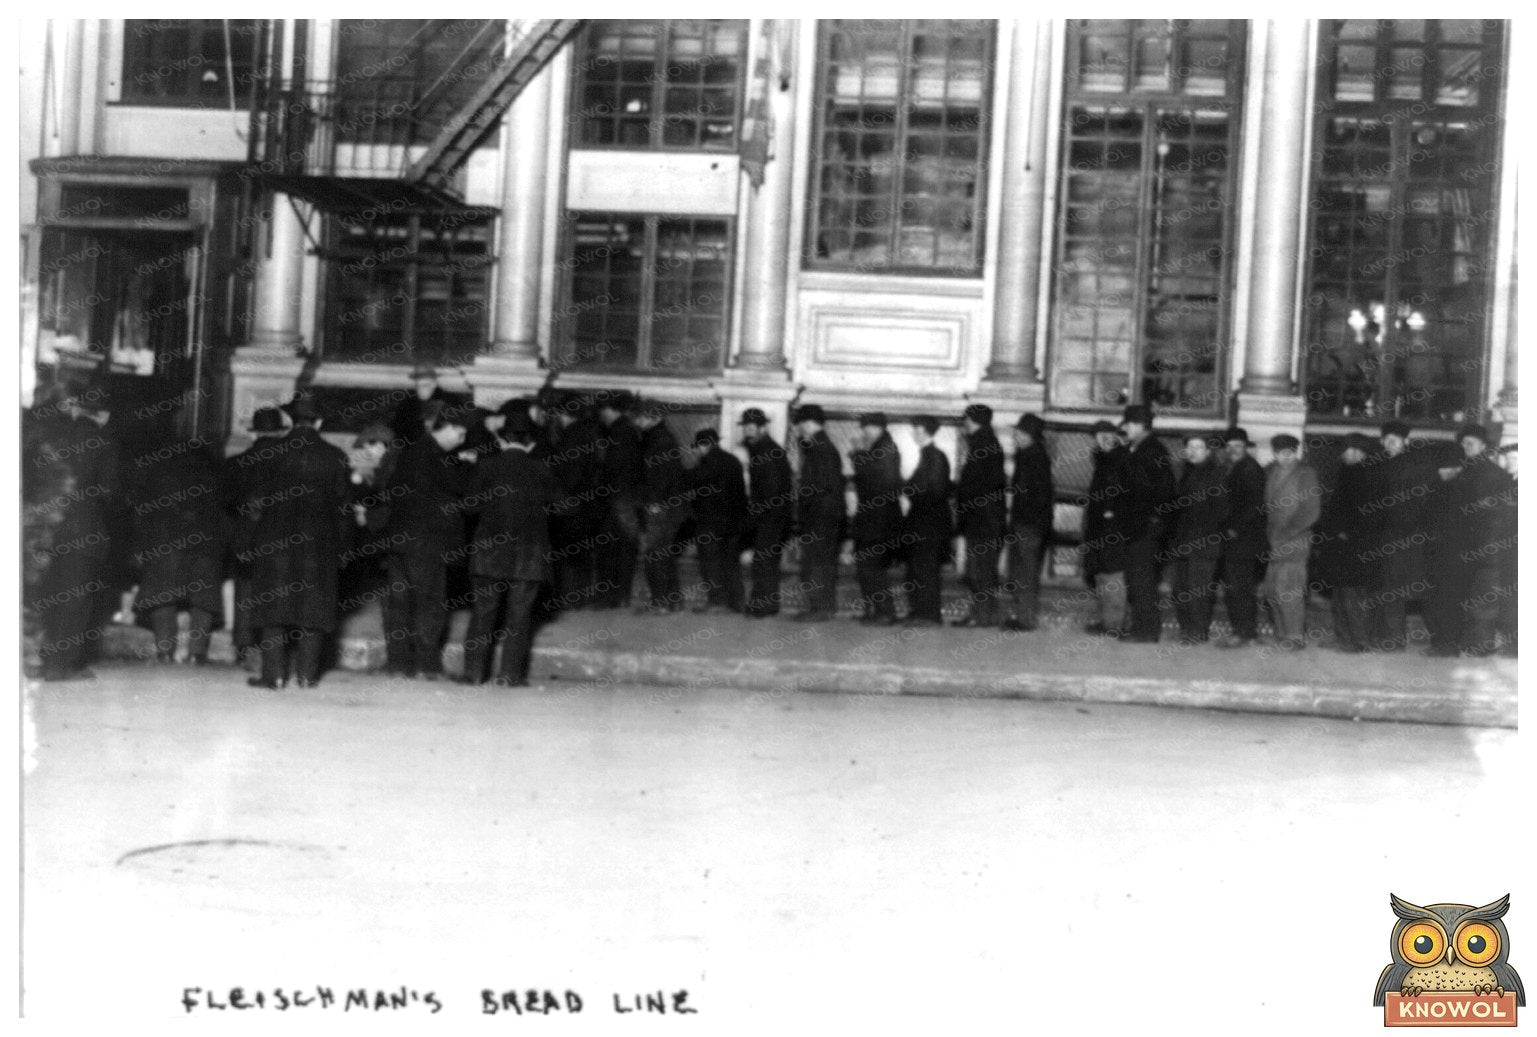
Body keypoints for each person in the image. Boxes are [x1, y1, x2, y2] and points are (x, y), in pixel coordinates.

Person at [240, 396, 352, 689]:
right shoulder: (335, 457)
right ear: (320, 422)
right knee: (313, 611)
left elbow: (255, 504)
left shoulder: (270, 453)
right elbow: (343, 510)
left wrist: (248, 544)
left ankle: (274, 675)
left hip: (274, 544)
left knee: (272, 610)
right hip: (318, 546)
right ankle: (306, 676)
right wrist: (344, 550)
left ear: (289, 420)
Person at [460, 412, 559, 687]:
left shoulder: (487, 466)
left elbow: (469, 506)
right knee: (519, 617)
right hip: (529, 556)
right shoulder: (542, 468)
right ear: (529, 442)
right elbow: (567, 506)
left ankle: (473, 674)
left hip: (488, 554)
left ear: (502, 440)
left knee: (482, 613)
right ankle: (510, 676)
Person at [380, 403, 472, 679]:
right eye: (461, 434)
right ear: (451, 429)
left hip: (398, 541)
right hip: (427, 544)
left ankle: (398, 664)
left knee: (398, 605)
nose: (462, 440)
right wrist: (467, 465)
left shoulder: (408, 452)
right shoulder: (439, 458)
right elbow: (461, 491)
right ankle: (427, 666)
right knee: (429, 604)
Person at [131, 438, 230, 664]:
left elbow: (143, 515)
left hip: (166, 546)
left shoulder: (157, 476)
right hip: (204, 547)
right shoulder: (213, 476)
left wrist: (142, 548)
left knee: (163, 598)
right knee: (203, 602)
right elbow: (224, 518)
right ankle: (196, 653)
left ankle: (165, 651)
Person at [1421, 424, 1515, 657]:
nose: (1465, 448)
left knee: (1472, 601)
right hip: (1460, 548)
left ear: (1483, 446)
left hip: (1478, 550)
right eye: (1463, 444)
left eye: (1470, 443)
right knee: (1457, 597)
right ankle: (1456, 644)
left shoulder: (1491, 475)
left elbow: (1493, 517)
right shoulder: (1463, 471)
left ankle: (1465, 646)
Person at [227, 406, 291, 668]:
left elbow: (225, 502)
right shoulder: (292, 464)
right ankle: (275, 654)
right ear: (279, 433)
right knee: (276, 595)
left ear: (254, 434)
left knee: (246, 592)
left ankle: (244, 648)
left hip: (247, 537)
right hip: (282, 539)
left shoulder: (237, 464)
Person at [1368, 420, 1432, 651]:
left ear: (1406, 442)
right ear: (1382, 441)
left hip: (1401, 538)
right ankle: (1378, 636)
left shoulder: (1415, 468)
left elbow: (1419, 504)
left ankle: (1393, 639)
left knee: (1393, 589)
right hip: (1377, 537)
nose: (1391, 444)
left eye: (1396, 440)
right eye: (1388, 440)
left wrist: (1399, 529)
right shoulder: (1375, 466)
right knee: (1378, 588)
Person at [1119, 404, 1176, 643]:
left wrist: (1148, 521)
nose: (1125, 428)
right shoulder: (1146, 449)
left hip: (1144, 528)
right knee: (1138, 578)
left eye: (1129, 424)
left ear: (1141, 425)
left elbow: (1145, 492)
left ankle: (1146, 630)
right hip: (1143, 525)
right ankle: (1141, 627)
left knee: (1142, 579)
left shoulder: (1148, 451)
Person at [1318, 433, 1380, 653]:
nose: (1342, 454)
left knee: (1354, 596)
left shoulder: (1368, 476)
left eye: (1346, 450)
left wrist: (1347, 533)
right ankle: (1343, 637)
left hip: (1357, 549)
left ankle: (1360, 641)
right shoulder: (1347, 472)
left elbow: (1370, 515)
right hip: (1341, 548)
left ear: (1358, 452)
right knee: (1340, 595)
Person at [1260, 434, 1321, 651]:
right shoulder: (1270, 472)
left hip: (1295, 541)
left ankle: (1295, 637)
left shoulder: (1306, 474)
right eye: (1279, 453)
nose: (1284, 457)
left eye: (1288, 453)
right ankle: (1281, 634)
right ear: (1274, 453)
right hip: (1272, 540)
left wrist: (1287, 533)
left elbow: (1311, 511)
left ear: (1295, 452)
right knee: (1272, 590)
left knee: (1289, 589)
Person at [1167, 432, 1227, 645]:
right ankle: (1186, 628)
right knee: (1180, 589)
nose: (1191, 452)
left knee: (1198, 590)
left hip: (1204, 544)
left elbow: (1221, 511)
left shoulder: (1217, 474)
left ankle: (1198, 631)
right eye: (1189, 447)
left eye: (1198, 447)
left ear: (1208, 451)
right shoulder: (1184, 472)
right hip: (1182, 542)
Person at [546, 392, 604, 609]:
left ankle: (569, 599)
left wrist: (559, 498)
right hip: (587, 503)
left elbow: (570, 473)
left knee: (568, 552)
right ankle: (579, 597)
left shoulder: (571, 436)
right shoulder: (589, 433)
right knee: (581, 553)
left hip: (572, 504)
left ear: (564, 413)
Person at [953, 403, 1007, 628]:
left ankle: (981, 616)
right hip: (989, 519)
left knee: (979, 571)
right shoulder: (989, 443)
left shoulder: (980, 445)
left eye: (966, 419)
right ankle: (985, 615)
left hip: (981, 521)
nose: (964, 424)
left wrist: (960, 504)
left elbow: (973, 486)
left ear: (971, 420)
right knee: (984, 570)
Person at [633, 400, 690, 614]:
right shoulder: (660, 437)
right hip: (670, 507)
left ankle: (661, 602)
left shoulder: (659, 440)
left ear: (654, 417)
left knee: (655, 555)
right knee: (663, 555)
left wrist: (655, 503)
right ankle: (672, 601)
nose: (638, 421)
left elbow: (659, 476)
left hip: (661, 507)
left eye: (642, 417)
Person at [850, 412, 904, 626]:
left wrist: (858, 455)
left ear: (878, 428)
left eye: (867, 427)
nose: (864, 432)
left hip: (879, 521)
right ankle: (873, 610)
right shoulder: (879, 448)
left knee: (873, 568)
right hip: (872, 519)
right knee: (867, 567)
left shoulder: (886, 448)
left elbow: (877, 482)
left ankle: (885, 612)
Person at [1215, 427, 1268, 649]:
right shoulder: (1235, 467)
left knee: (1238, 588)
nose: (1233, 450)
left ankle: (1244, 633)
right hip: (1238, 540)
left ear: (1245, 448)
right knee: (1238, 587)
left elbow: (1253, 505)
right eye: (1230, 447)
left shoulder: (1249, 469)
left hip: (1243, 541)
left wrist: (1233, 528)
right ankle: (1247, 632)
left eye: (1238, 446)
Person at [687, 428, 748, 614]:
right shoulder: (733, 461)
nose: (696, 451)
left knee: (710, 563)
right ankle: (737, 602)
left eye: (697, 447)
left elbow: (694, 482)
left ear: (704, 445)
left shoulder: (707, 462)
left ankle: (717, 602)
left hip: (710, 522)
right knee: (731, 563)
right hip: (733, 521)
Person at [592, 390, 644, 610]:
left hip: (617, 498)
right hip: (625, 497)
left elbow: (614, 468)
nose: (600, 415)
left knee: (613, 548)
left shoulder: (619, 432)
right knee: (622, 548)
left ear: (609, 409)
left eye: (602, 410)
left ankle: (612, 596)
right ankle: (619, 596)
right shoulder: (627, 430)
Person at [792, 403, 843, 622]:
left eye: (800, 424)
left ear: (808, 423)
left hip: (819, 517)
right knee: (819, 562)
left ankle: (820, 608)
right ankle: (822, 607)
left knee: (817, 562)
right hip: (824, 517)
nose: (798, 429)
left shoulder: (820, 449)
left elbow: (818, 485)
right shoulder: (821, 445)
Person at [740, 408, 793, 618]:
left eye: (752, 428)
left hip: (770, 517)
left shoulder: (766, 452)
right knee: (765, 563)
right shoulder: (764, 449)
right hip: (771, 516)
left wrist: (758, 516)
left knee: (764, 563)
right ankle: (764, 605)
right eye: (746, 428)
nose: (748, 432)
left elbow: (770, 490)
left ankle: (762, 606)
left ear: (763, 428)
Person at [1003, 413, 1053, 632]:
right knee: (1022, 572)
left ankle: (1026, 619)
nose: (1015, 436)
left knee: (1025, 572)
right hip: (1029, 524)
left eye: (1020, 433)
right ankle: (1023, 617)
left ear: (1030, 436)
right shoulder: (1032, 455)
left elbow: (1034, 496)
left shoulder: (1032, 458)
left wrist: (1024, 522)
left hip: (1029, 525)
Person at [1082, 420, 1131, 636]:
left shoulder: (1121, 459)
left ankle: (1115, 624)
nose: (1103, 439)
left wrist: (1112, 515)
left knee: (1113, 576)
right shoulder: (1103, 459)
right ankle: (1108, 621)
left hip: (1113, 528)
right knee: (1103, 574)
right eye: (1099, 435)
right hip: (1099, 527)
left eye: (1108, 434)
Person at [903, 415, 951, 626]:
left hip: (930, 524)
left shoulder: (935, 456)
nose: (914, 433)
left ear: (924, 431)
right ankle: (919, 611)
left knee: (927, 570)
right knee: (919, 569)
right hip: (924, 523)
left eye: (916, 429)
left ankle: (929, 615)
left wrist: (909, 489)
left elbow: (933, 490)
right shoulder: (929, 455)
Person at [390, 362, 448, 447]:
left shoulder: (447, 401)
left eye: (425, 385)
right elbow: (398, 430)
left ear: (434, 384)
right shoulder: (406, 404)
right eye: (418, 386)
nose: (421, 389)